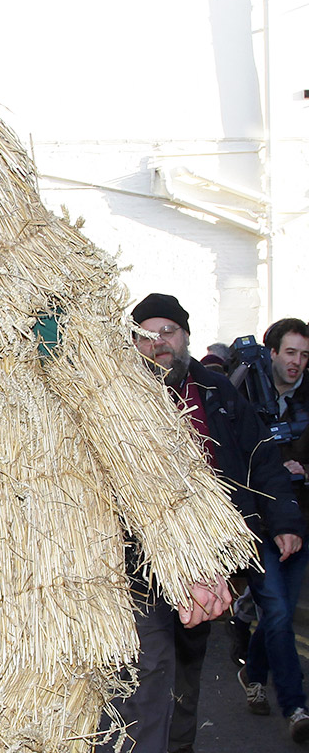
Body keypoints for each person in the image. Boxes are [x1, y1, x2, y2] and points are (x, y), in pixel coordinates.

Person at [124, 294, 306, 750]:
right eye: (147, 334)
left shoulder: (216, 391)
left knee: (187, 671)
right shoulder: (121, 401)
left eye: (169, 331)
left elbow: (262, 459)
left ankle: (180, 746)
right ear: (132, 342)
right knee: (148, 671)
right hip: (139, 562)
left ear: (186, 336)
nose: (159, 341)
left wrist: (284, 519)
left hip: (208, 558)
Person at [234, 317, 309, 729]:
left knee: (277, 615)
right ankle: (296, 706)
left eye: (304, 355)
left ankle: (253, 673)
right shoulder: (243, 390)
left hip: (301, 520)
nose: (297, 362)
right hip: (260, 522)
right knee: (277, 610)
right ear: (273, 352)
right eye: (290, 352)